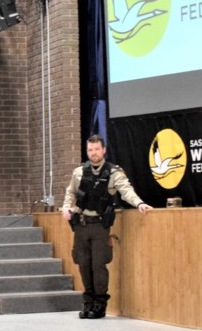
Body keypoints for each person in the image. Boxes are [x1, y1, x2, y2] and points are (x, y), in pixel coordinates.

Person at [61, 135, 151, 319]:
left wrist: (139, 203)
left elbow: (126, 191)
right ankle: (88, 302)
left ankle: (99, 304)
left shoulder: (113, 172)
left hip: (100, 226)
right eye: (90, 150)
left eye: (96, 149)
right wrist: (66, 207)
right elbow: (70, 193)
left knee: (98, 265)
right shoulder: (79, 172)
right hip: (81, 225)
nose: (93, 153)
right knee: (83, 264)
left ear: (103, 150)